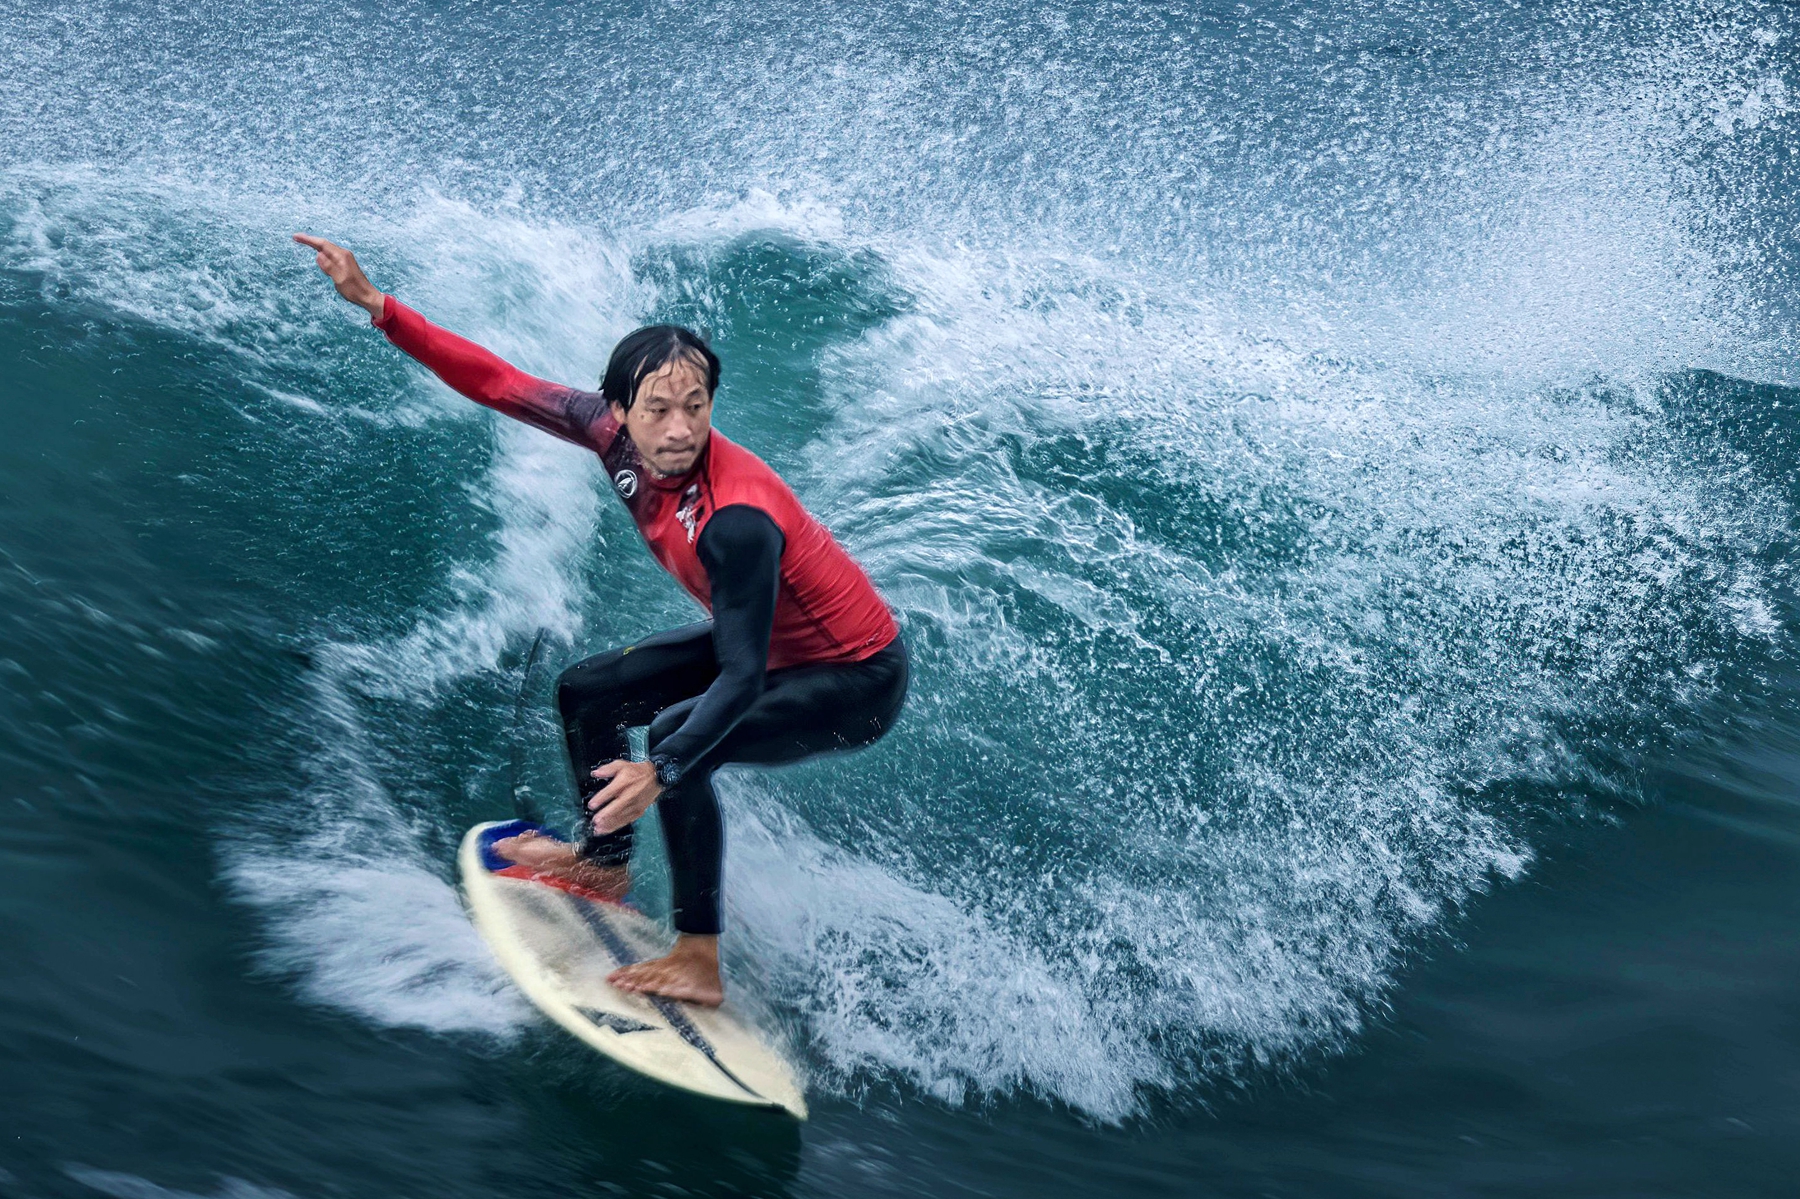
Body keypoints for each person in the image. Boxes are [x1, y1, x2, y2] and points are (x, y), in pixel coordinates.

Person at [294, 234, 908, 1006]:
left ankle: (698, 956)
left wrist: (662, 771)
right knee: (590, 690)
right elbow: (499, 382)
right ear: (619, 410)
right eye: (659, 410)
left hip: (854, 679)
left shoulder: (737, 520)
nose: (679, 429)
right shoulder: (606, 433)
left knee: (679, 743)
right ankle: (604, 863)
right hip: (781, 649)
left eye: (696, 407)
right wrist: (380, 307)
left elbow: (743, 674)